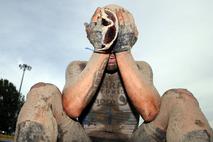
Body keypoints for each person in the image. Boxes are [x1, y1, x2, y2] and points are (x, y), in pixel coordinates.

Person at [15, 4, 213, 142]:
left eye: (119, 36)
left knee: (180, 97)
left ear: (131, 37)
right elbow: (72, 108)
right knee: (42, 91)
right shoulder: (78, 67)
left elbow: (150, 110)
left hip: (132, 140)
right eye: (106, 34)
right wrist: (101, 49)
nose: (112, 43)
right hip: (83, 138)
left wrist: (123, 48)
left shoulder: (141, 68)